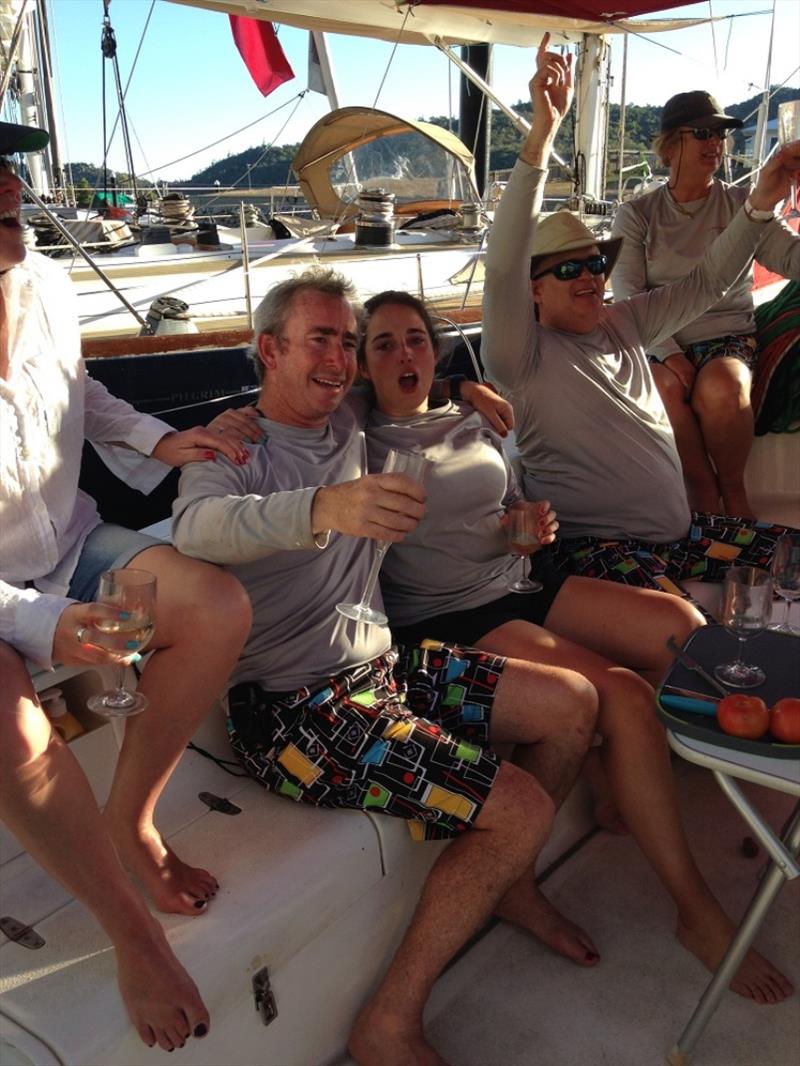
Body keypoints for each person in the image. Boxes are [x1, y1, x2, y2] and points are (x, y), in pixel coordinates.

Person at [172, 267, 613, 1066]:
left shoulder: (346, 418)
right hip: (294, 711)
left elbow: (405, 375)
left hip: (382, 670)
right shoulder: (231, 446)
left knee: (573, 701)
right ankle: (389, 1021)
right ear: (268, 350)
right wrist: (321, 508)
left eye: (346, 341)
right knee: (515, 808)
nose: (340, 358)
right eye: (321, 340)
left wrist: (464, 386)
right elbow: (197, 527)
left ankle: (506, 881)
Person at [356, 286, 792, 1004]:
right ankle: (697, 911)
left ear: (434, 350)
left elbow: (497, 511)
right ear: (364, 363)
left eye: (415, 339)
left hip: (523, 578)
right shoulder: (361, 437)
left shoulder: (470, 413)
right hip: (454, 613)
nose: (404, 353)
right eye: (383, 344)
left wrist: (521, 523)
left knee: (678, 630)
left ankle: (622, 785)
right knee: (620, 692)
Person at [0, 123, 253, 1052]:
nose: (8, 184)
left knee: (216, 605)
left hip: (61, 547)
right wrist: (45, 625)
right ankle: (133, 935)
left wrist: (158, 440)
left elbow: (79, 391)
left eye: (7, 163)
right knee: (11, 725)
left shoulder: (47, 283)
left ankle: (131, 819)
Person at [481, 36, 800, 604]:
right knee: (687, 627)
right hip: (596, 548)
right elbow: (503, 261)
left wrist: (758, 205)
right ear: (532, 291)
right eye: (568, 270)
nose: (589, 276)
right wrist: (540, 136)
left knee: (794, 558)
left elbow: (704, 283)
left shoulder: (624, 323)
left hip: (679, 537)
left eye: (594, 264)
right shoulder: (518, 358)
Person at [611, 90, 800, 518]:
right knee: (662, 386)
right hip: (661, 339)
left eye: (720, 134)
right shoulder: (638, 214)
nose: (715, 143)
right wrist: (670, 354)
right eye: (703, 133)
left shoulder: (741, 205)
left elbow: (790, 258)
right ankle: (702, 489)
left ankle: (732, 492)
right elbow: (629, 298)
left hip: (727, 336)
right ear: (670, 143)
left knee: (724, 387)